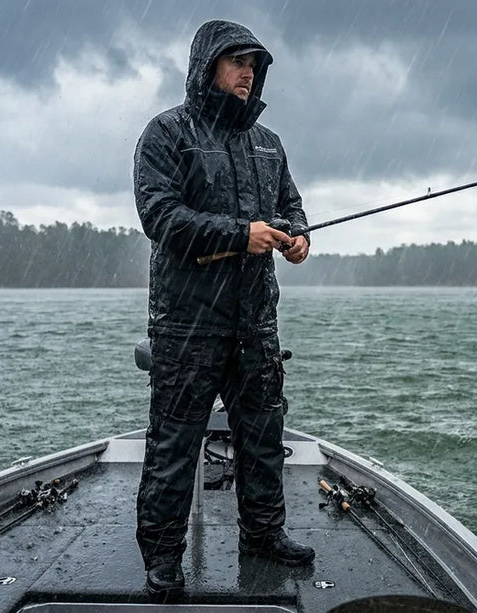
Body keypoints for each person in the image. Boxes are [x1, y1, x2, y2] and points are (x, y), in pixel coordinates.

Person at [132, 19, 313, 595]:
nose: (247, 72)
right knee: (173, 445)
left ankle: (264, 536)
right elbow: (160, 218)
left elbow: (290, 205)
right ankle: (163, 559)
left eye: (254, 65)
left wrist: (298, 237)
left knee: (262, 437)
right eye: (237, 61)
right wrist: (242, 234)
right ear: (207, 65)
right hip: (187, 326)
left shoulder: (270, 144)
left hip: (255, 323)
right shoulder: (167, 134)